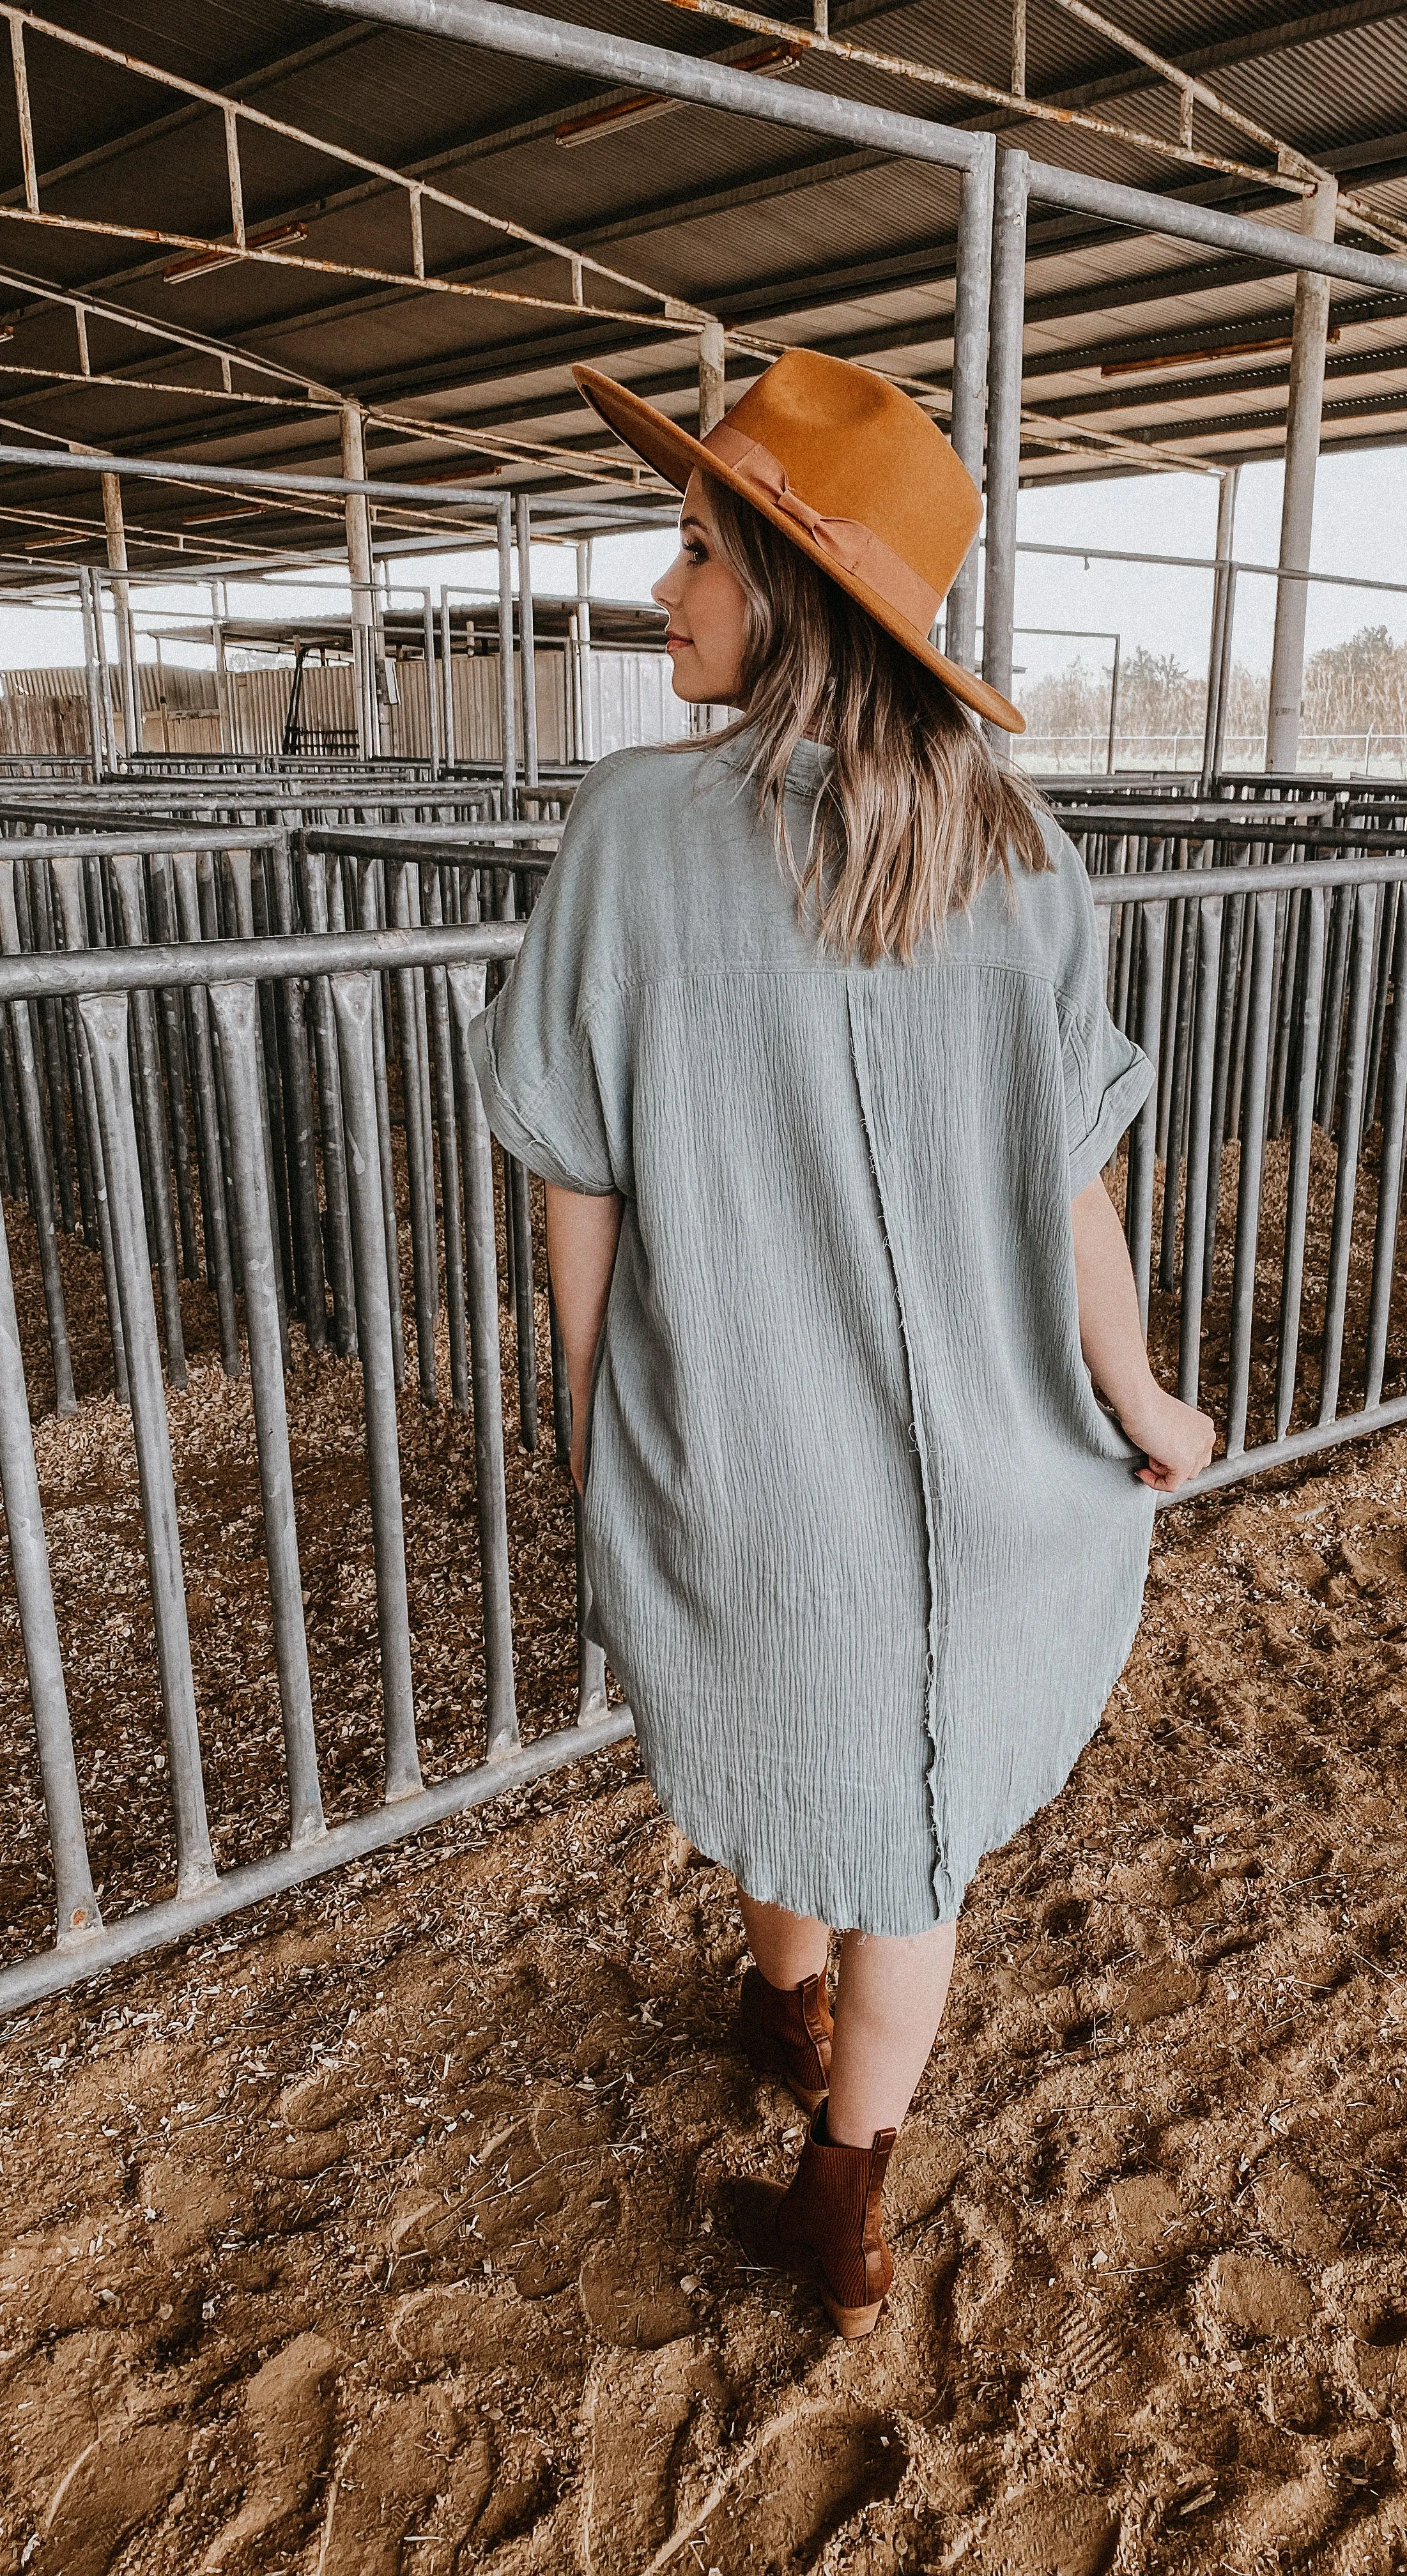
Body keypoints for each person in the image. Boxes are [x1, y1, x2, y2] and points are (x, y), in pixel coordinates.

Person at [471, 347, 1214, 2341]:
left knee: (799, 1726)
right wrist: (1140, 1402)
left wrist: (592, 1412)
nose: (663, 590)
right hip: (990, 1473)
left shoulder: (632, 832)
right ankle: (824, 2119)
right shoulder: (1023, 851)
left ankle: (806, 2091)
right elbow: (1081, 1191)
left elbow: (574, 1175)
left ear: (791, 598)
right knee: (912, 1821)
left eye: (696, 550)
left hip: (755, 1450)